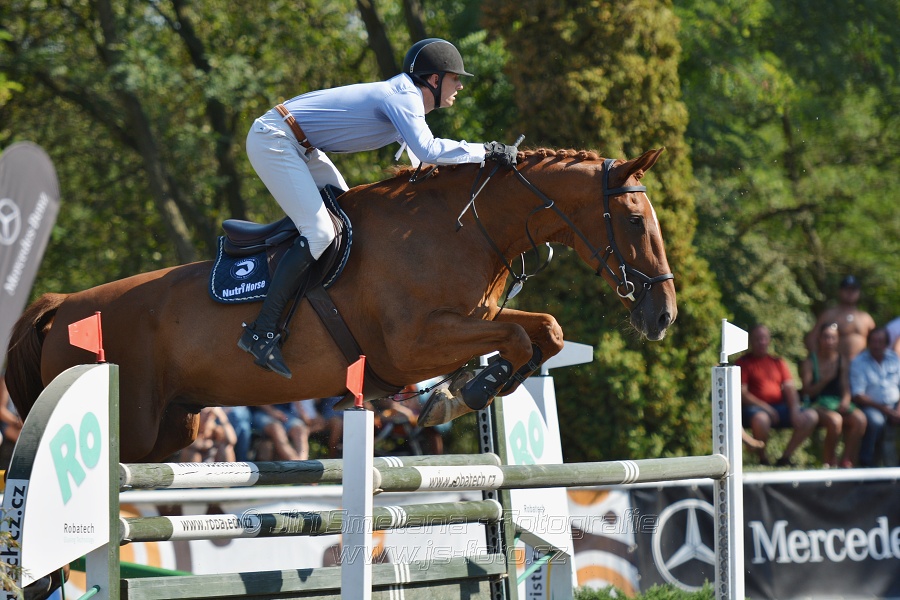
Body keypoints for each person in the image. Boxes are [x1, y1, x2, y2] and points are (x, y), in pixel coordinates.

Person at [238, 38, 519, 378]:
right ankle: (262, 332)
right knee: (321, 232)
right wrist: (486, 151)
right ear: (433, 79)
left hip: (301, 146)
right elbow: (429, 150)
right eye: (454, 77)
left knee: (350, 222)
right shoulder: (404, 97)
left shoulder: (408, 100)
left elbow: (423, 171)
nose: (459, 84)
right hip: (275, 139)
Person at [737, 324, 819, 466]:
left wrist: (794, 410)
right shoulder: (743, 363)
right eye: (757, 339)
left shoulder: (778, 362)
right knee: (761, 419)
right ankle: (763, 459)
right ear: (750, 341)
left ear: (769, 340)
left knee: (811, 416)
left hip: (780, 408)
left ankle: (785, 458)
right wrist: (767, 408)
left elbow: (789, 388)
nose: (761, 342)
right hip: (754, 410)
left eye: (764, 338)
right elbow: (742, 393)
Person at [799, 322, 866, 467]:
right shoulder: (810, 362)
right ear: (819, 339)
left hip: (836, 403)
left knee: (860, 419)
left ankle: (847, 460)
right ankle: (829, 462)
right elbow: (807, 391)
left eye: (833, 338)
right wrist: (825, 379)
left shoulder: (842, 361)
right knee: (835, 421)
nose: (829, 341)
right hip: (816, 404)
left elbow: (845, 386)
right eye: (826, 337)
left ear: (838, 340)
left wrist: (846, 401)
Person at [850, 328, 900, 467]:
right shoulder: (859, 362)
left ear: (886, 344)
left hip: (895, 405)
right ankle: (867, 465)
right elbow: (858, 395)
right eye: (873, 341)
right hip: (871, 407)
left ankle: (894, 467)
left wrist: (898, 409)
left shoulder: (894, 359)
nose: (876, 345)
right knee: (876, 422)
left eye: (880, 342)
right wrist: (885, 410)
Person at [805, 275, 876, 361]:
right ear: (840, 291)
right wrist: (819, 361)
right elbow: (812, 339)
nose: (850, 292)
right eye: (847, 289)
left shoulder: (866, 318)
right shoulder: (829, 315)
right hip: (836, 367)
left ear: (859, 293)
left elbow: (878, 342)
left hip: (860, 368)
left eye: (853, 289)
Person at [251, 402, 319, 461]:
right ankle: (297, 466)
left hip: (285, 412)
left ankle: (302, 464)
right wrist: (272, 411)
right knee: (276, 429)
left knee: (300, 429)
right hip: (261, 412)